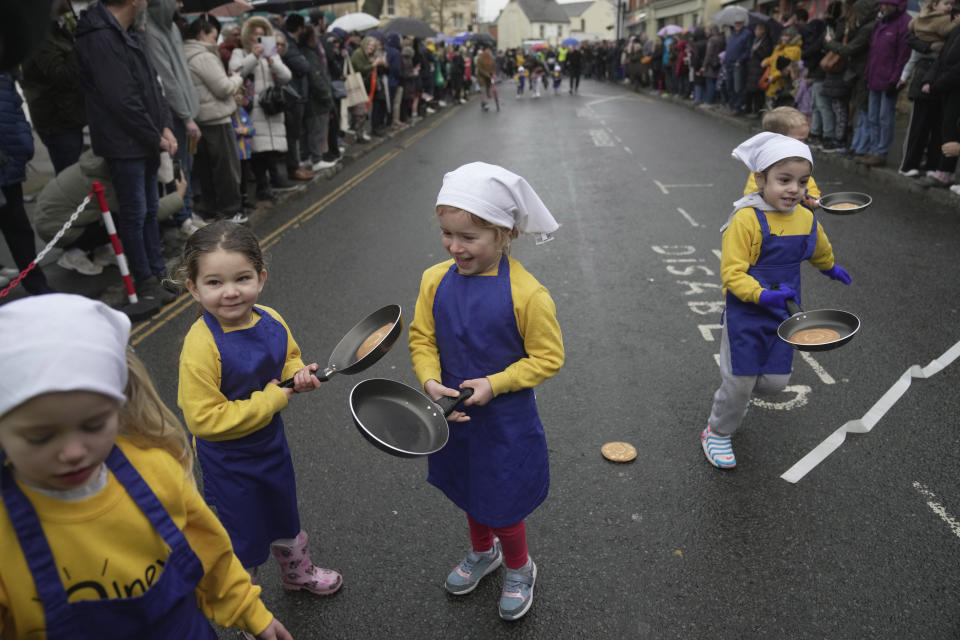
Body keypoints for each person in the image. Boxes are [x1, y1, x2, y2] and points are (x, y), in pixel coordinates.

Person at [0, 293, 292, 640]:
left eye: (93, 425)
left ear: (119, 407)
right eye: (39, 436)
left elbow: (209, 551)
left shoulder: (154, 469)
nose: (74, 452)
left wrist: (248, 610)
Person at [408, 162, 565, 621]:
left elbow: (547, 358)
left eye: (468, 238)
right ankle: (484, 552)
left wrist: (495, 383)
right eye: (446, 234)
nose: (454, 246)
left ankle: (519, 565)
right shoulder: (433, 280)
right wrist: (430, 381)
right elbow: (423, 339)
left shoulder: (528, 295)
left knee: (503, 499)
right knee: (469, 489)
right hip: (453, 415)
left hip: (504, 421)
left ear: (505, 234)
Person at [176, 222, 343, 615]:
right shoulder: (200, 346)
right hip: (228, 460)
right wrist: (273, 398)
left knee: (284, 510)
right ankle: (247, 605)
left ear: (261, 278)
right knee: (243, 533)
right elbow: (203, 420)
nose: (230, 291)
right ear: (193, 288)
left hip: (270, 444)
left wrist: (298, 374)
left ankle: (297, 573)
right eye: (214, 282)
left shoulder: (270, 318)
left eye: (242, 278)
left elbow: (289, 356)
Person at [701, 133, 851, 469]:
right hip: (747, 315)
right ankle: (718, 431)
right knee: (740, 380)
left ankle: (737, 400)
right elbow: (732, 274)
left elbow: (817, 247)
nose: (794, 189)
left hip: (785, 315)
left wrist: (830, 267)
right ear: (760, 179)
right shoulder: (746, 220)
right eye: (784, 180)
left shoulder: (806, 217)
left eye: (802, 181)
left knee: (774, 382)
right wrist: (763, 294)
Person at [74, 0, 177, 308]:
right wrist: (155, 134)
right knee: (134, 213)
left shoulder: (126, 32)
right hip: (125, 143)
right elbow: (121, 99)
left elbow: (152, 88)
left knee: (147, 211)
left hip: (143, 139)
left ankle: (157, 272)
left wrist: (166, 127)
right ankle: (144, 279)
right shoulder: (99, 36)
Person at [35, 149, 187, 277]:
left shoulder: (100, 165)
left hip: (56, 218)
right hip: (56, 229)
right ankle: (74, 254)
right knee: (127, 218)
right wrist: (178, 196)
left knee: (115, 215)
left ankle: (101, 252)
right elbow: (145, 214)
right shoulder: (110, 181)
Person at [145, 0, 203, 237]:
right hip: (174, 115)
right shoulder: (150, 31)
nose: (180, 4)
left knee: (185, 167)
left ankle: (187, 213)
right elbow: (167, 81)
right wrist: (187, 116)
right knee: (177, 168)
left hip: (186, 112)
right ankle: (183, 218)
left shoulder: (172, 27)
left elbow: (181, 74)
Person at [183, 14, 246, 224]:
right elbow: (223, 88)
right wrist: (236, 78)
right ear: (202, 33)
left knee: (207, 169)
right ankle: (230, 211)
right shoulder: (204, 56)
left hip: (199, 118)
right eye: (213, 36)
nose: (215, 41)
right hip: (216, 119)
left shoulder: (184, 53)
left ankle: (211, 209)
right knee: (226, 169)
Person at [0, 71, 55, 296]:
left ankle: (36, 284)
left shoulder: (5, 71)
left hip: (9, 162)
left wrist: (25, 144)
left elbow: (16, 107)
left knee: (19, 227)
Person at [229, 16, 294, 203]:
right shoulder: (240, 53)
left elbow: (286, 77)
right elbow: (237, 72)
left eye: (262, 34)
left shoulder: (271, 56)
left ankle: (265, 186)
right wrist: (254, 56)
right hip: (252, 108)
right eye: (255, 34)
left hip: (271, 107)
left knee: (270, 150)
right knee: (256, 150)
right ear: (248, 36)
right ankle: (260, 186)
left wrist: (273, 61)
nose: (259, 37)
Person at [19, 0, 87, 175]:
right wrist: (80, 40)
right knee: (69, 179)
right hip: (58, 122)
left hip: (69, 116)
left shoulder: (56, 28)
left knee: (74, 176)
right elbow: (62, 76)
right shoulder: (40, 34)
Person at [898, 0, 959, 178]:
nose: (950, 7)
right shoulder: (926, 21)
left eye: (952, 4)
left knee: (939, 127)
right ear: (933, 5)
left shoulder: (952, 24)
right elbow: (912, 42)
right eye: (946, 3)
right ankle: (908, 164)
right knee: (920, 126)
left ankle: (933, 165)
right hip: (928, 78)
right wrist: (928, 47)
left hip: (941, 82)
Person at [856, 0, 911, 167]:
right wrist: (867, 74)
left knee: (884, 118)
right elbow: (873, 53)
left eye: (887, 4)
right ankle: (873, 150)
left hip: (889, 81)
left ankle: (881, 152)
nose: (883, 7)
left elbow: (903, 56)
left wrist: (895, 80)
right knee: (873, 117)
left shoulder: (904, 23)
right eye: (881, 4)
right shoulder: (881, 23)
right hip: (874, 78)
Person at [477, 44, 495, 110]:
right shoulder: (480, 58)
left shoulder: (491, 58)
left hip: (489, 78)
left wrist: (493, 73)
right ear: (484, 50)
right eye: (487, 50)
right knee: (483, 90)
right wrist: (486, 74)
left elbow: (493, 67)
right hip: (481, 77)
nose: (488, 51)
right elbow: (480, 69)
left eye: (489, 50)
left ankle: (483, 103)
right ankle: (486, 103)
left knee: (488, 91)